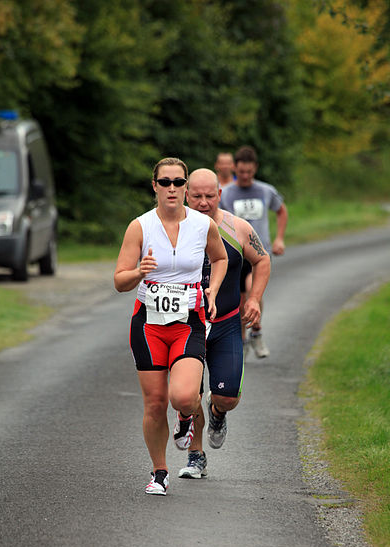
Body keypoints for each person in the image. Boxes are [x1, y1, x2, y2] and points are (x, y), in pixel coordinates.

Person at [114, 158, 228, 496]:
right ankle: (159, 471)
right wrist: (139, 272)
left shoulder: (202, 225)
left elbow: (220, 258)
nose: (172, 189)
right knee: (154, 402)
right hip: (148, 325)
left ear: (186, 187)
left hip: (188, 322)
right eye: (165, 182)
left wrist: (212, 289)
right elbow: (119, 280)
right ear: (155, 186)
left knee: (183, 396)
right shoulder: (140, 226)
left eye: (179, 182)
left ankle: (186, 416)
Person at [179, 168, 271, 478]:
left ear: (220, 194)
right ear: (185, 194)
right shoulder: (172, 229)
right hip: (186, 325)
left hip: (227, 323)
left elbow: (262, 260)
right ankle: (196, 455)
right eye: (197, 196)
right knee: (188, 396)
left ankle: (217, 412)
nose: (203, 202)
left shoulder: (237, 227)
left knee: (227, 396)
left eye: (209, 196)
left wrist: (255, 298)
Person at [220, 145, 288, 358]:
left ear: (255, 168)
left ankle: (256, 331)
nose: (246, 176)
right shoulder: (227, 193)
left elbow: (281, 210)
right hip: (235, 255)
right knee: (239, 301)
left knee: (252, 291)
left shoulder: (265, 190)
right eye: (241, 172)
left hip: (259, 253)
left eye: (249, 172)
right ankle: (242, 341)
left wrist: (279, 238)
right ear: (234, 169)